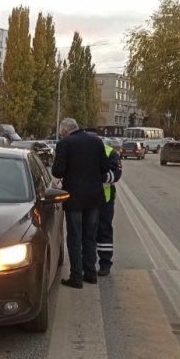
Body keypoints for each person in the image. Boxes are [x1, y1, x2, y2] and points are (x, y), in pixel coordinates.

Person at [52, 119, 113, 289]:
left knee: (75, 237)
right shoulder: (96, 142)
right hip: (94, 198)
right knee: (89, 236)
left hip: (74, 199)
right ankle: (91, 273)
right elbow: (106, 168)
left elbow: (57, 171)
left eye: (61, 132)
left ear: (65, 131)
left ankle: (76, 278)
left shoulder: (65, 144)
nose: (61, 135)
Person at [95, 134, 122, 276]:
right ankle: (87, 263)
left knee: (104, 230)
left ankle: (105, 263)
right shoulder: (85, 150)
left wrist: (97, 178)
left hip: (105, 200)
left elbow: (116, 174)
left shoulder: (110, 152)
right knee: (88, 232)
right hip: (87, 199)